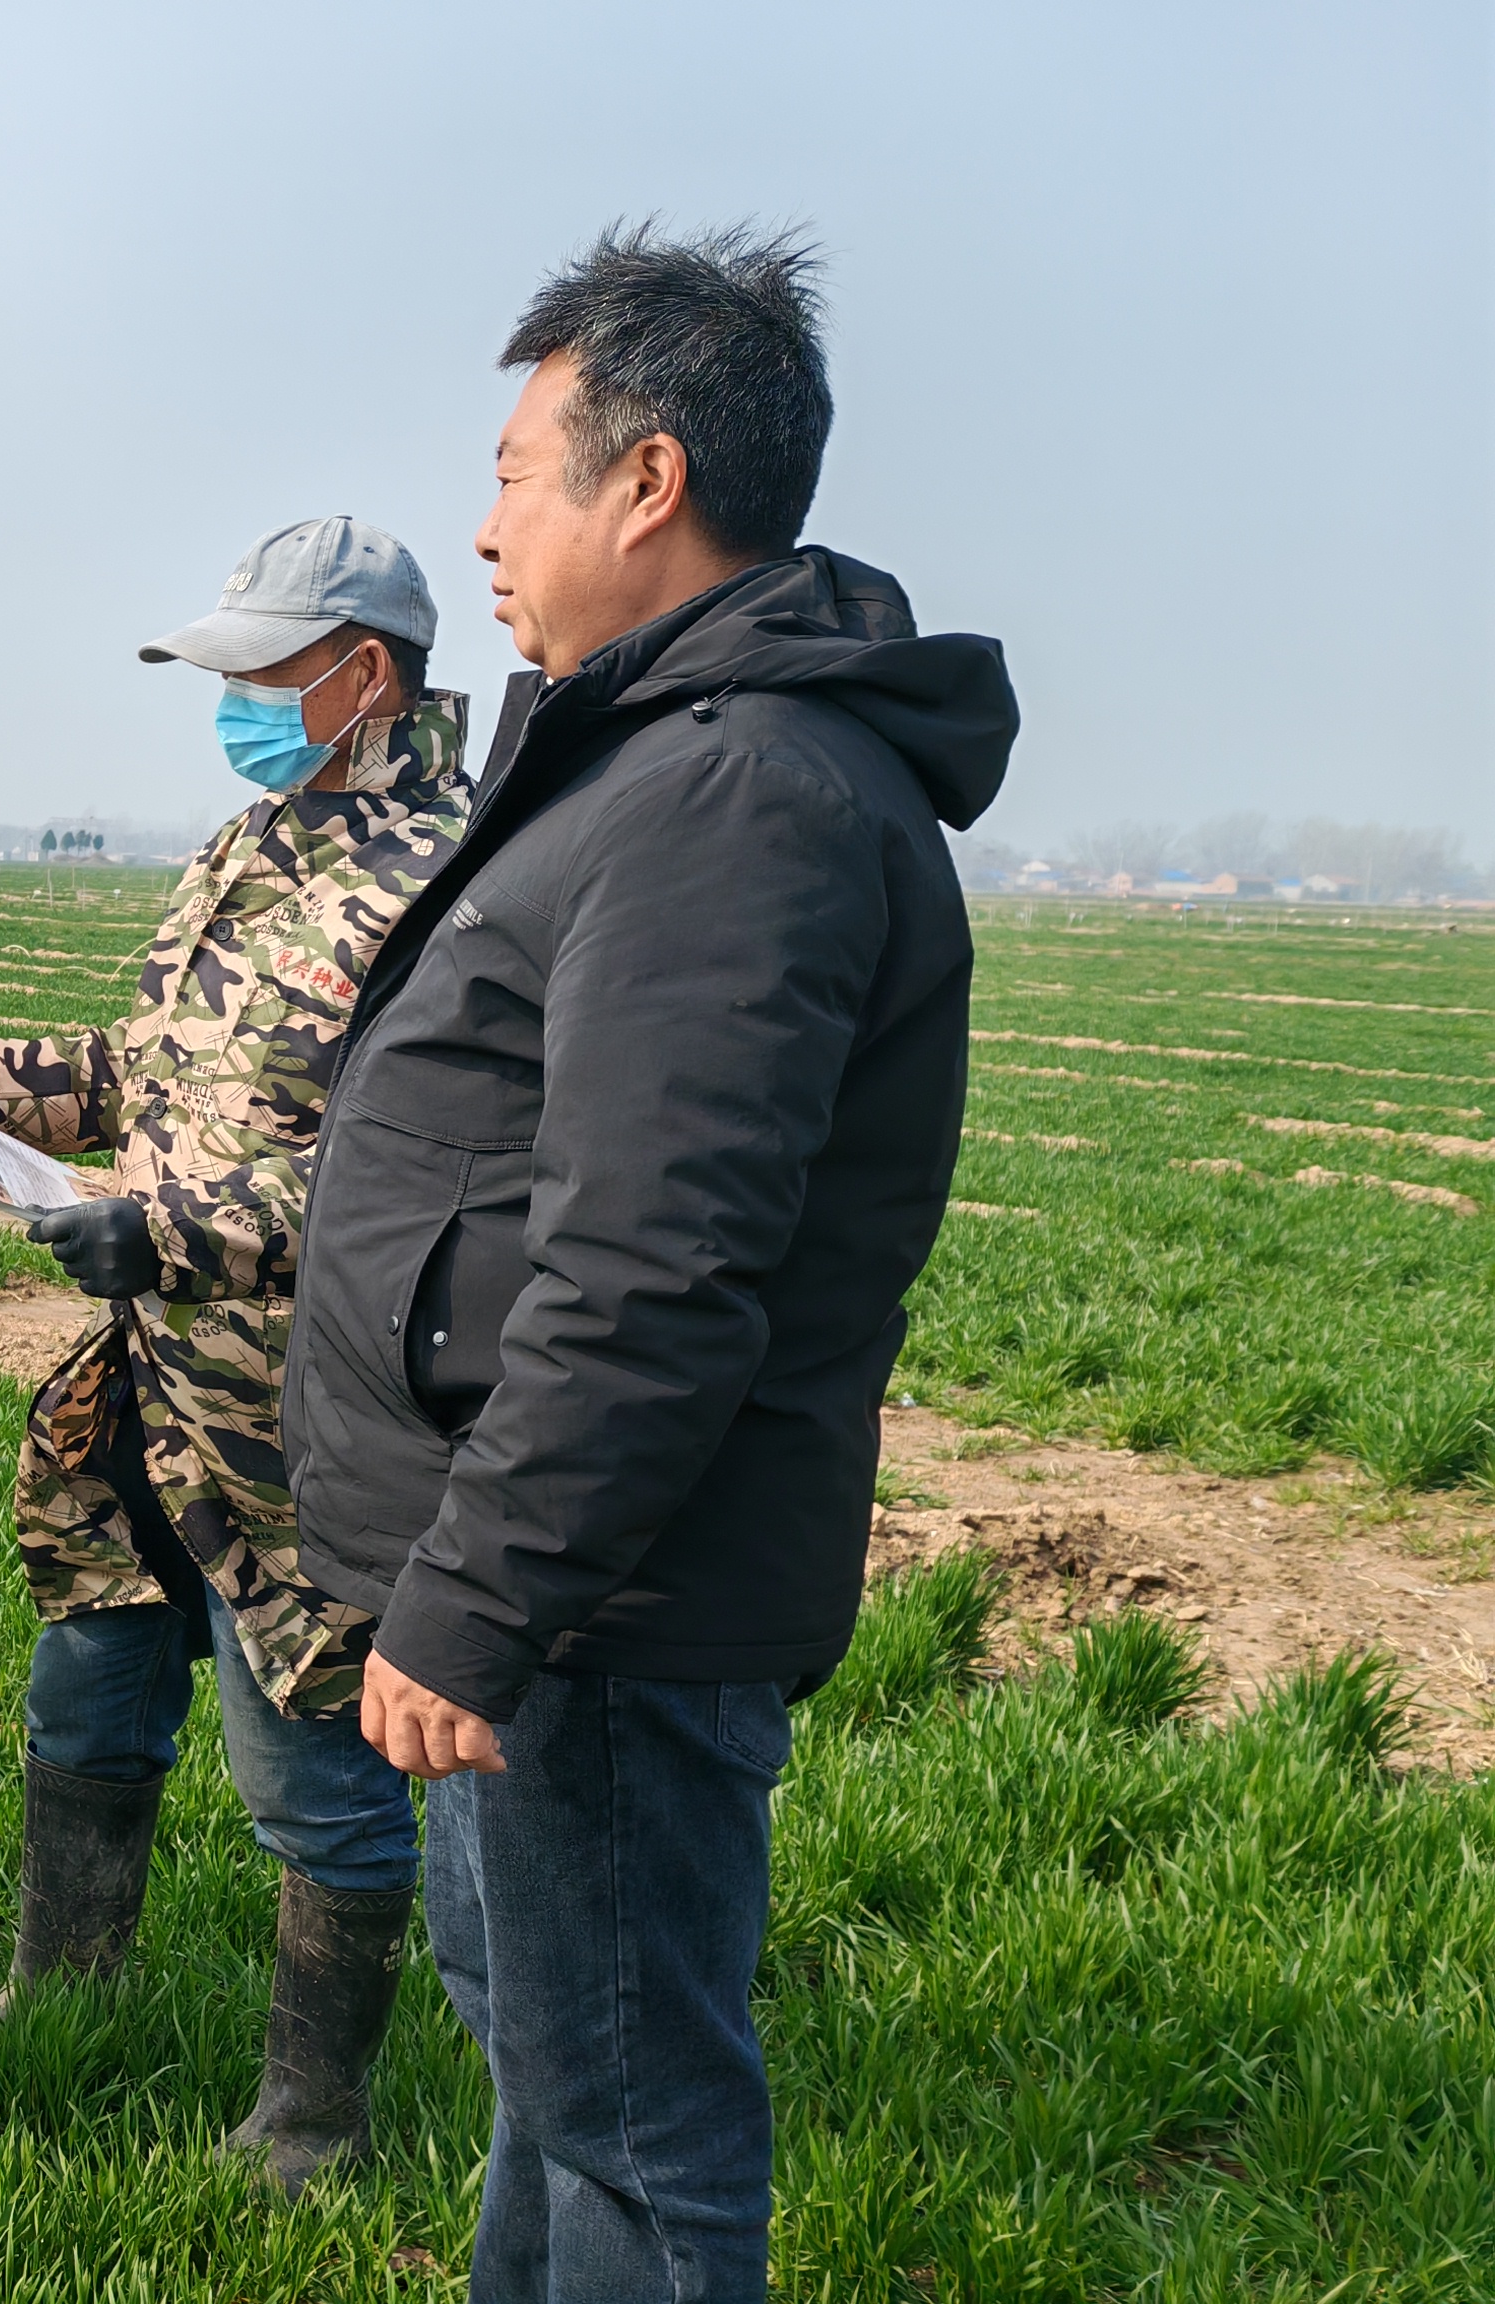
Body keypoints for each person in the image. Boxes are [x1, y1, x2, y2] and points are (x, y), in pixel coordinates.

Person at [285, 227, 1013, 2296]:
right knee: (558, 2082)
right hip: (568, 1585)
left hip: (606, 1600)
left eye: (516, 472)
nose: (486, 527)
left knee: (625, 2123)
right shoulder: (673, 756)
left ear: (648, 481)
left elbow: (651, 1267)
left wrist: (478, 1603)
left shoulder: (733, 794)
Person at [0, 518, 468, 2191]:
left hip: (302, 1419)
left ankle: (310, 2127)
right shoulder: (248, 848)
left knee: (307, 1757)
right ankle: (59, 2004)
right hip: (152, 1383)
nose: (235, 704)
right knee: (92, 1681)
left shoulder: (452, 882)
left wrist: (174, 1234)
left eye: (264, 673)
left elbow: (426, 1178)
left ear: (367, 673)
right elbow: (139, 1075)